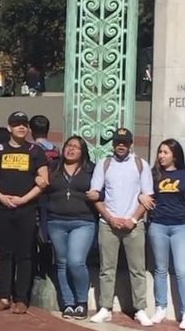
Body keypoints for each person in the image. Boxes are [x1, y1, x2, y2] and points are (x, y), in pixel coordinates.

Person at [0, 111, 49, 315]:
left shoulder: (35, 151)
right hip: (1, 208)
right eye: (16, 124)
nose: (21, 127)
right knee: (4, 254)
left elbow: (43, 181)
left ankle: (21, 298)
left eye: (24, 124)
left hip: (26, 209)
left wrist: (23, 199)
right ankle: (4, 296)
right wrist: (1, 197)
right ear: (9, 127)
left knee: (25, 254)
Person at [88, 128, 154, 326]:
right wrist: (109, 218)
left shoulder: (141, 165)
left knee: (137, 269)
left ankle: (140, 309)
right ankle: (105, 308)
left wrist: (132, 220)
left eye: (124, 142)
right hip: (108, 224)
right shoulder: (104, 164)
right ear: (113, 144)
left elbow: (148, 197)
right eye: (118, 142)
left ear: (131, 144)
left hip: (134, 225)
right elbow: (95, 195)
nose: (121, 145)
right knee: (107, 269)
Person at [44, 136, 96, 321]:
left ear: (82, 152)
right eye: (68, 146)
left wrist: (98, 194)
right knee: (62, 263)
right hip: (56, 222)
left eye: (76, 147)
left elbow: (103, 190)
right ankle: (68, 303)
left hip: (83, 221)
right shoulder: (53, 167)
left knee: (76, 261)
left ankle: (81, 301)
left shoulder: (91, 169)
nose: (71, 150)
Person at [143, 139, 185, 327]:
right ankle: (161, 308)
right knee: (160, 269)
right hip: (158, 226)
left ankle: (184, 312)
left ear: (174, 155)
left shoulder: (183, 174)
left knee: (182, 270)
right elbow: (142, 191)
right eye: (160, 152)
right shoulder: (153, 175)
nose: (161, 156)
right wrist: (141, 196)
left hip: (180, 227)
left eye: (165, 152)